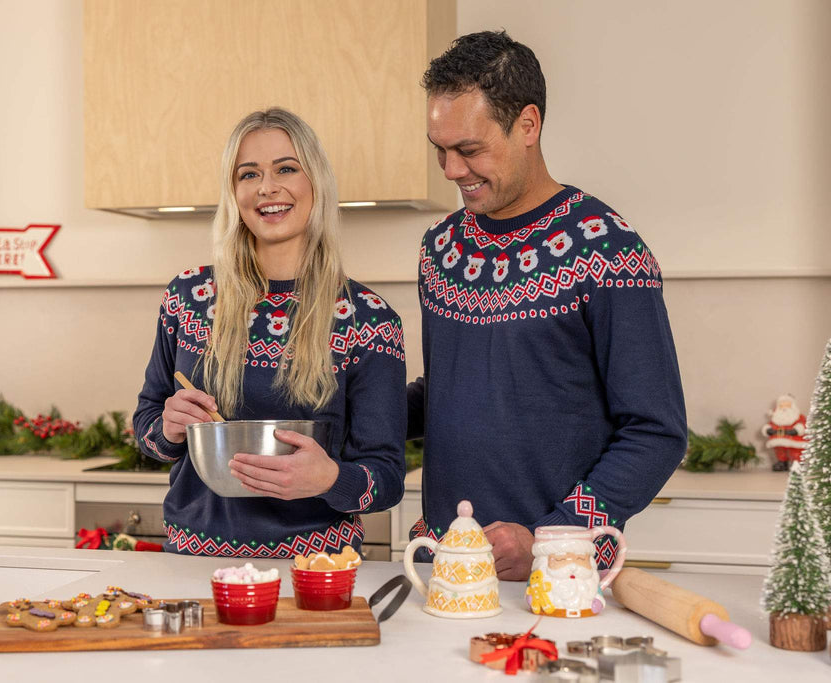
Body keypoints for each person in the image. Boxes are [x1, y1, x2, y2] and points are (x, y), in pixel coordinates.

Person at [406, 31, 688, 579]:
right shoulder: (439, 249)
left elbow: (656, 432)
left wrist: (545, 538)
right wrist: (337, 411)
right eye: (439, 149)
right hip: (445, 562)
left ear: (528, 125)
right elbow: (446, 392)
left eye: (469, 150)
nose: (450, 171)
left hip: (560, 572)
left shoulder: (608, 249)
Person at [133, 108, 407, 557]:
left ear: (315, 182)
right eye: (248, 174)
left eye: (286, 168)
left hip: (317, 569)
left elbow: (386, 479)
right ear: (233, 192)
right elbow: (147, 426)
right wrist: (168, 428)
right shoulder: (186, 299)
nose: (266, 187)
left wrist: (332, 479)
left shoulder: (369, 321)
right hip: (193, 561)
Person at [762, 394, 807, 471]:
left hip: (794, 439)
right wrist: (768, 430)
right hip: (778, 438)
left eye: (787, 403)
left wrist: (796, 430)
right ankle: (782, 462)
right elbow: (770, 425)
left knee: (795, 451)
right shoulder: (776, 417)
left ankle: (797, 462)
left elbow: (803, 424)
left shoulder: (798, 416)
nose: (784, 406)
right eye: (781, 403)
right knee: (780, 450)